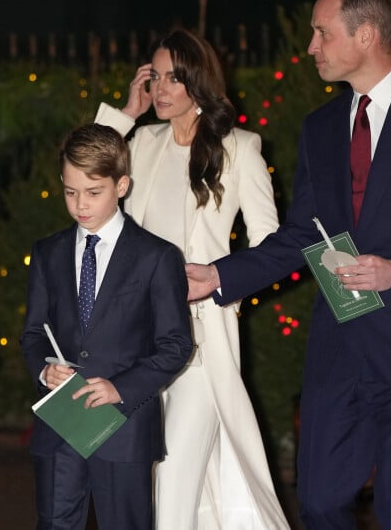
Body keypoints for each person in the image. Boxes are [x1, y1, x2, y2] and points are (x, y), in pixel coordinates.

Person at [186, 0, 391, 529]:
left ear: (367, 34)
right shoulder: (321, 127)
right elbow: (301, 232)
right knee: (321, 503)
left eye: (322, 33)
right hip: (340, 343)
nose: (311, 47)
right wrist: (217, 275)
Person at [95, 28, 289, 529]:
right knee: (151, 481)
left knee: (174, 484)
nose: (160, 88)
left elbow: (275, 247)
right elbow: (87, 181)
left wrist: (220, 279)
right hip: (137, 340)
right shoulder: (141, 143)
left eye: (173, 78)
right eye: (154, 77)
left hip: (201, 343)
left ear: (197, 82)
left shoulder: (240, 148)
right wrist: (124, 114)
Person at [20, 123, 193, 530]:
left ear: (122, 184)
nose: (81, 204)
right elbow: (32, 333)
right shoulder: (48, 252)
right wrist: (44, 370)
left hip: (124, 427)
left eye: (93, 192)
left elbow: (176, 345)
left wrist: (121, 387)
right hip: (59, 423)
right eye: (70, 191)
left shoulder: (157, 256)